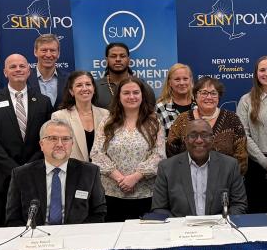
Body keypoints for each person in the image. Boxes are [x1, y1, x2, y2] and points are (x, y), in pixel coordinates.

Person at [0, 54, 54, 227]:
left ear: (29, 71)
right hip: (2, 179)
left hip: (35, 176)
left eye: (22, 66)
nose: (18, 70)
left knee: (35, 226)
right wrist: (15, 170)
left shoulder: (43, 102)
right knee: (1, 229)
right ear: (5, 72)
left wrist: (28, 168)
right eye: (13, 67)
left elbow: (46, 138)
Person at [90, 76, 165, 222]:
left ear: (142, 95)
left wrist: (135, 177)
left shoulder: (154, 121)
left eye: (136, 92)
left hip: (146, 195)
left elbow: (159, 155)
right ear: (119, 96)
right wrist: (120, 179)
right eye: (126, 93)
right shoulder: (107, 121)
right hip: (111, 194)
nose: (131, 96)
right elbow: (97, 153)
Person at [6, 119, 106, 225]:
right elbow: (13, 218)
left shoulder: (90, 172)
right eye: (53, 138)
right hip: (36, 237)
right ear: (41, 144)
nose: (59, 144)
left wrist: (77, 235)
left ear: (72, 144)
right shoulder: (21, 174)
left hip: (75, 236)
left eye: (65, 139)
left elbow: (99, 212)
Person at [151, 119, 247, 217]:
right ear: (185, 140)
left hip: (218, 228)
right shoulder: (167, 168)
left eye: (205, 135)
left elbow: (239, 204)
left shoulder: (230, 165)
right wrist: (178, 226)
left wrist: (223, 224)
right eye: (193, 135)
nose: (199, 140)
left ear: (212, 139)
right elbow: (159, 208)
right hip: (181, 229)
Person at [166, 76, 248, 175]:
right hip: (187, 182)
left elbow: (241, 156)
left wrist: (230, 179)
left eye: (213, 93)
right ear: (195, 96)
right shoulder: (182, 120)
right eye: (204, 93)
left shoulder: (232, 119)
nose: (209, 97)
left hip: (224, 182)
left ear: (219, 97)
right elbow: (171, 152)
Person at [236, 56, 267, 213]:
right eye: (262, 70)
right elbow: (243, 135)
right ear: (256, 74)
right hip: (256, 166)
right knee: (258, 218)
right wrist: (266, 163)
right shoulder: (246, 101)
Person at [51, 71, 109, 163]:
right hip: (74, 173)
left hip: (102, 173)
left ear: (94, 89)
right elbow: (58, 150)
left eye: (88, 84)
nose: (84, 88)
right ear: (71, 91)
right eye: (79, 85)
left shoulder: (106, 114)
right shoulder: (59, 117)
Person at [95, 42, 157, 109]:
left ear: (128, 60)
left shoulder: (142, 86)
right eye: (113, 56)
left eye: (122, 56)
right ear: (106, 60)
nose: (118, 59)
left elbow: (150, 115)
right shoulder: (95, 87)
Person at [26, 33, 68, 107]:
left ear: (58, 53)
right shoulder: (25, 79)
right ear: (35, 52)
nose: (48, 55)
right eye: (44, 50)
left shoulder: (69, 79)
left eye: (52, 50)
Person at [155, 63, 195, 134]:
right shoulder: (161, 108)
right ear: (170, 82)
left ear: (191, 80)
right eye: (177, 79)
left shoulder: (199, 106)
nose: (182, 83)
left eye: (185, 79)